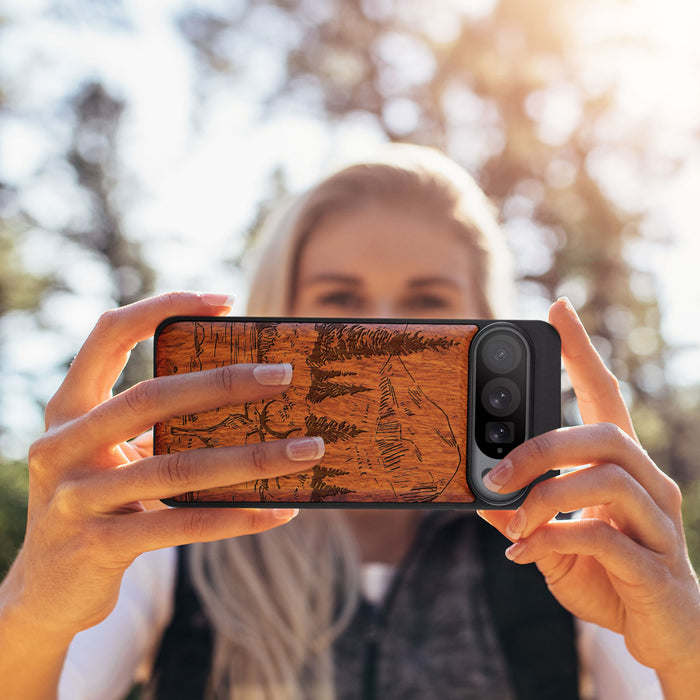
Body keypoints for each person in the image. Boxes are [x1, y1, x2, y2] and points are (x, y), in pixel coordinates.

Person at [0, 145, 698, 700]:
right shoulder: (171, 534)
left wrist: (685, 648)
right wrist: (34, 607)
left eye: (428, 302)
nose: (381, 329)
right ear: (279, 315)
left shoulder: (567, 543)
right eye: (339, 298)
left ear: (487, 324)